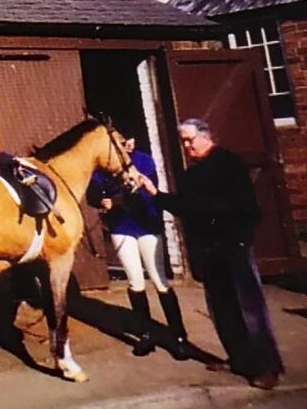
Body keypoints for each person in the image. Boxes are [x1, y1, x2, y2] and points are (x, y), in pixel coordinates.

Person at [138, 118, 284, 389]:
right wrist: (156, 194)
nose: (185, 145)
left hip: (233, 247)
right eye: (182, 140)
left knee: (249, 309)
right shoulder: (191, 174)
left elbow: (249, 209)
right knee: (222, 309)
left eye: (189, 139)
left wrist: (241, 240)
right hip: (209, 250)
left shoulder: (229, 164)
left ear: (207, 136)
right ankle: (239, 360)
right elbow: (186, 207)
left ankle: (267, 367)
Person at [87, 136, 189, 359]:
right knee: (135, 281)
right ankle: (146, 334)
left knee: (159, 279)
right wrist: (100, 200)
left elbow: (143, 193)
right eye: (122, 141)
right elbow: (93, 193)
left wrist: (115, 201)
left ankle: (179, 336)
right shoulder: (105, 165)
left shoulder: (144, 161)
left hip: (146, 223)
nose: (128, 144)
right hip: (121, 227)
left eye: (130, 139)